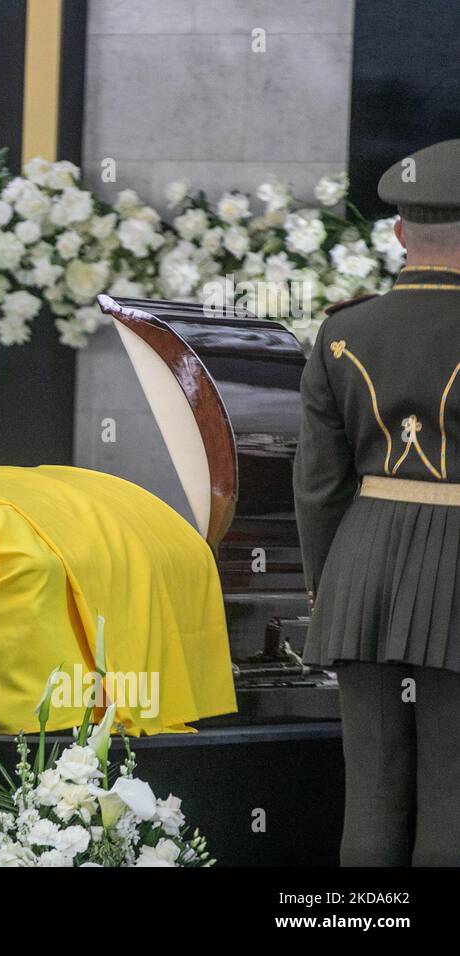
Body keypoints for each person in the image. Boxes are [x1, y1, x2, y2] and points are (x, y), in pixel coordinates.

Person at [295, 137, 460, 866]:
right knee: (453, 799)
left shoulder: (341, 331)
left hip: (361, 576)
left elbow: (319, 485)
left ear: (398, 232)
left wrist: (328, 591)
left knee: (371, 798)